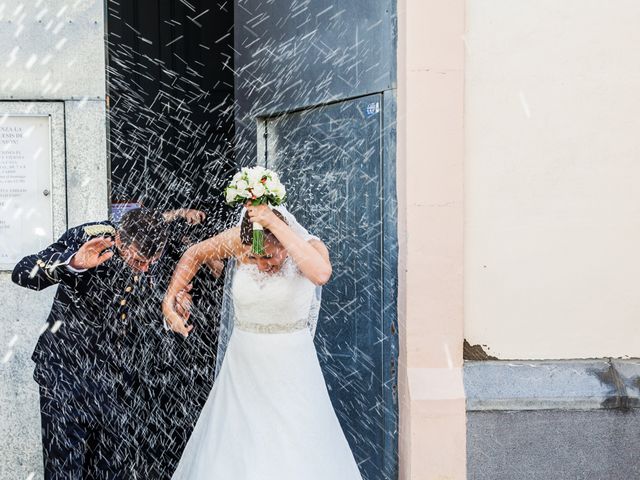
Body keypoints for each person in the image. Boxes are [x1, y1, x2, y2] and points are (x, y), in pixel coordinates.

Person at [162, 203, 363, 480]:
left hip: (290, 370)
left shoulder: (307, 248)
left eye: (269, 256)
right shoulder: (247, 240)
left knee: (293, 448)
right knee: (237, 450)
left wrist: (276, 224)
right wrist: (169, 301)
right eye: (255, 257)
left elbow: (321, 274)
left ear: (284, 239)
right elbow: (194, 253)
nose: (262, 264)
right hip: (243, 367)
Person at [11, 207, 200, 480]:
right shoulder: (91, 237)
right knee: (66, 469)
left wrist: (174, 302)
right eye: (138, 261)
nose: (145, 269)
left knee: (112, 471)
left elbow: (156, 293)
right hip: (67, 371)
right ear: (121, 241)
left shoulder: (156, 246)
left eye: (151, 262)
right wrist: (72, 262)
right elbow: (23, 272)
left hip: (116, 380)